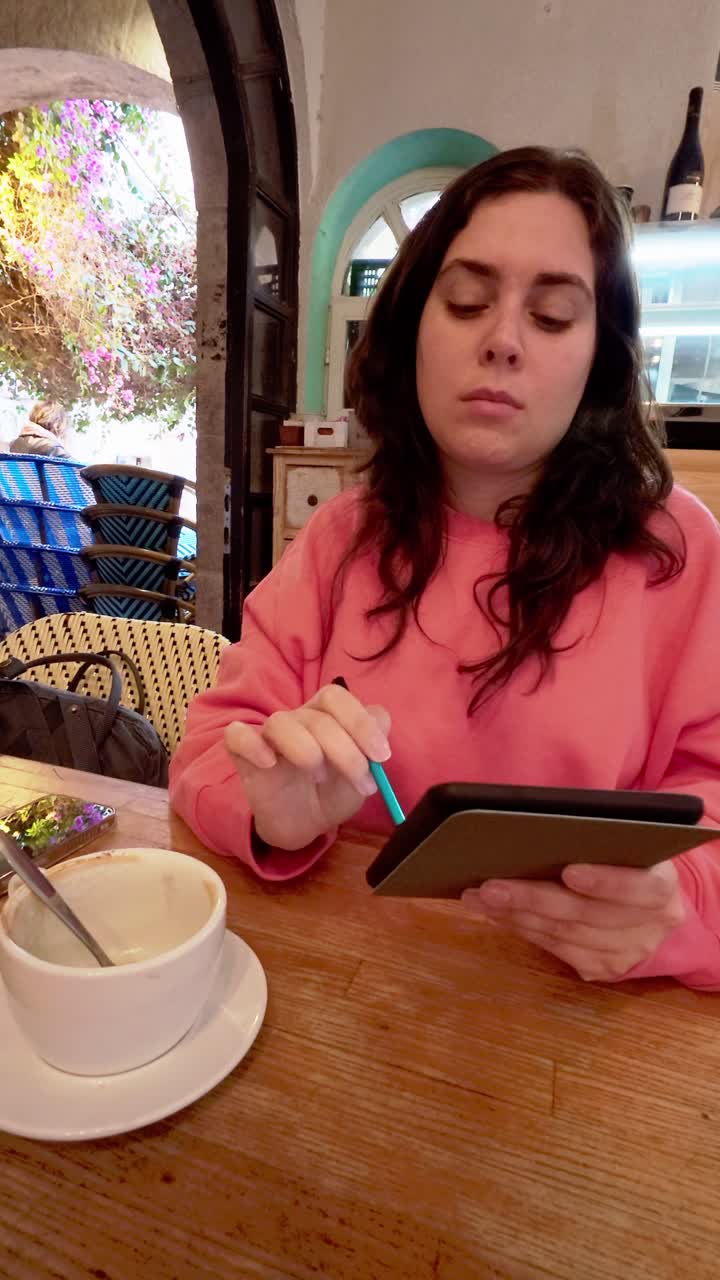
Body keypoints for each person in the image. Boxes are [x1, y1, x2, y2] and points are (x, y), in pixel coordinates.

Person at [170, 146, 720, 990]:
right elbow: (210, 747)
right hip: (348, 995)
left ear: (599, 360)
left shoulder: (681, 552)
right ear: (412, 324)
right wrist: (267, 814)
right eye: (466, 302)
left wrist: (674, 905)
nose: (501, 341)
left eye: (553, 316)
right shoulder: (342, 536)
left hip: (579, 1020)